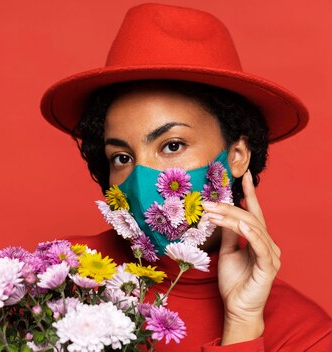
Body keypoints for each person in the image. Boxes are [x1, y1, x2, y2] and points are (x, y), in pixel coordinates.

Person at [39, 3, 332, 351]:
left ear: (237, 156)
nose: (142, 179)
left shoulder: (306, 334)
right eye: (122, 157)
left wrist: (242, 322)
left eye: (172, 145)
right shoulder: (59, 274)